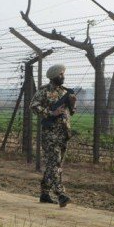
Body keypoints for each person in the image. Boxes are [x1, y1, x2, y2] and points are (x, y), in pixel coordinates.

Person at [30, 64, 76, 208]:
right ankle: (61, 194)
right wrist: (50, 113)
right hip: (50, 134)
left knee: (55, 165)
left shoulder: (65, 92)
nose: (63, 77)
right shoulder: (44, 91)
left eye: (63, 74)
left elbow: (70, 112)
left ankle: (45, 193)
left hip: (64, 133)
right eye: (61, 74)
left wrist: (73, 104)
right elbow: (33, 106)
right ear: (54, 76)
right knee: (54, 163)